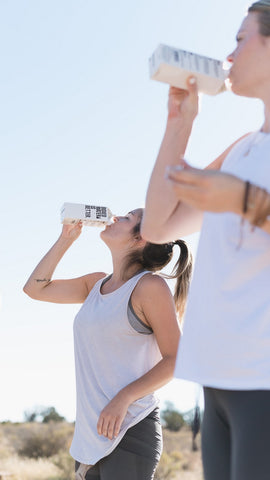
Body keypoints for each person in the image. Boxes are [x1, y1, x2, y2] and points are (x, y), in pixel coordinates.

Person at [142, 2, 270, 479]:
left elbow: (247, 203)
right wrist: (180, 124)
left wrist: (246, 200)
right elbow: (158, 226)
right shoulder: (242, 149)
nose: (229, 54)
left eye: (240, 39)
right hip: (216, 379)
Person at [23, 207, 192, 480]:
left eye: (127, 218)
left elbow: (176, 358)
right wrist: (66, 238)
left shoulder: (149, 287)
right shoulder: (94, 285)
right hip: (89, 438)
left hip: (130, 430)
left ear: (140, 240)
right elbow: (35, 289)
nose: (115, 217)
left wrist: (123, 398)